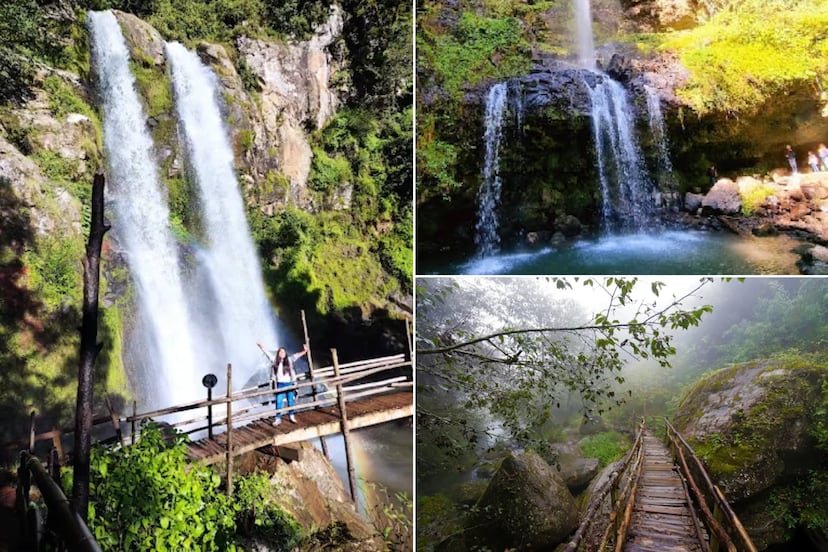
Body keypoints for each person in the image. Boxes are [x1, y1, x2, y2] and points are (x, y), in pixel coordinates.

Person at [257, 341, 308, 425]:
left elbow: (296, 355)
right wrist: (261, 346)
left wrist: (304, 351)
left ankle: (291, 416)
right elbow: (267, 353)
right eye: (280, 352)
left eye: (283, 352)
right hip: (280, 384)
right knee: (279, 401)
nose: (282, 353)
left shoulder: (289, 360)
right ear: (278, 353)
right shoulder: (274, 360)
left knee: (290, 401)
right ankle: (278, 418)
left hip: (289, 383)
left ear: (285, 353)